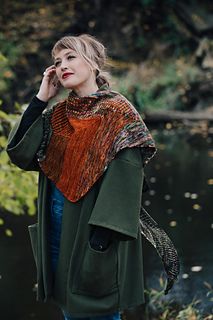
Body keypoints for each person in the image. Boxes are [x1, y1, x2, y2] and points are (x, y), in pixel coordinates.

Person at [6, 34, 179, 320]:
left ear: (94, 63)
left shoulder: (117, 112)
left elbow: (127, 180)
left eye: (71, 57)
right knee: (69, 311)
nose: (62, 65)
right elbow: (19, 153)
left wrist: (98, 244)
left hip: (93, 233)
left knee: (98, 311)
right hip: (57, 226)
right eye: (57, 61)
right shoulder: (58, 115)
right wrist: (40, 100)